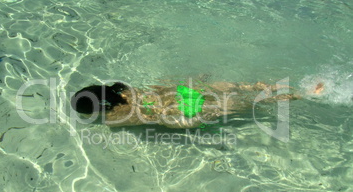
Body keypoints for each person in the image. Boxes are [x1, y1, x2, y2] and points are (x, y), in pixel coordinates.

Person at [71, 79, 303, 128]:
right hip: (180, 91)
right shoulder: (121, 88)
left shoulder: (112, 119)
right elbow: (155, 93)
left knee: (246, 105)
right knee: (227, 88)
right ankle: (256, 85)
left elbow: (153, 115)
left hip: (183, 110)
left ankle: (299, 96)